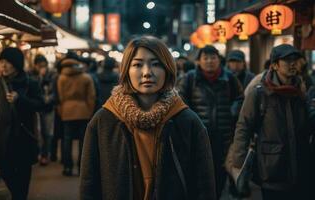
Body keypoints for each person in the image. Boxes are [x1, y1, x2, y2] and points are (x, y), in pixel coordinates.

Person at [79, 36, 216, 199]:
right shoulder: (103, 121)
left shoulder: (188, 121)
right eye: (137, 64)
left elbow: (204, 186)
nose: (147, 73)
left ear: (167, 69)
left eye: (156, 64)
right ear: (126, 71)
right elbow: (89, 184)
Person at [226, 44, 313, 200]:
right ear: (274, 65)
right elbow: (244, 126)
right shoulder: (260, 92)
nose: (293, 64)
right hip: (272, 165)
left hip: (301, 163)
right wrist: (238, 162)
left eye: (295, 59)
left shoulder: (301, 87)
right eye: (287, 60)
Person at [0, 47, 44, 200]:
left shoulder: (30, 83)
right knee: (5, 171)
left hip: (24, 135)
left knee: (23, 172)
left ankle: (19, 197)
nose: (3, 66)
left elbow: (41, 105)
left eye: (7, 62)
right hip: (5, 136)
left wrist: (20, 100)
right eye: (1, 62)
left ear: (16, 64)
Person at [177, 45, 243, 198]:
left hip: (224, 137)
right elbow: (180, 101)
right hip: (198, 136)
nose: (209, 61)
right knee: (197, 176)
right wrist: (190, 120)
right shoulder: (190, 78)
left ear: (219, 60)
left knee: (219, 177)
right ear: (199, 61)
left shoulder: (229, 78)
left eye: (213, 58)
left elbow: (240, 98)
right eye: (205, 58)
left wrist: (233, 110)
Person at [57, 57, 96, 176]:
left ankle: (67, 167)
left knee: (67, 140)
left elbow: (60, 97)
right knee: (83, 141)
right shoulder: (86, 77)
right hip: (83, 111)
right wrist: (89, 111)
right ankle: (81, 167)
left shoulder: (61, 78)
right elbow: (91, 96)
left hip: (67, 111)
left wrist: (62, 111)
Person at [34, 54, 57, 165]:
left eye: (44, 66)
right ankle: (38, 154)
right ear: (35, 66)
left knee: (47, 133)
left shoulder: (52, 75)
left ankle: (45, 155)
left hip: (48, 108)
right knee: (38, 133)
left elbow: (54, 92)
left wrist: (47, 99)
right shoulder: (32, 75)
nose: (42, 68)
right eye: (39, 66)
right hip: (37, 109)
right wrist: (40, 78)